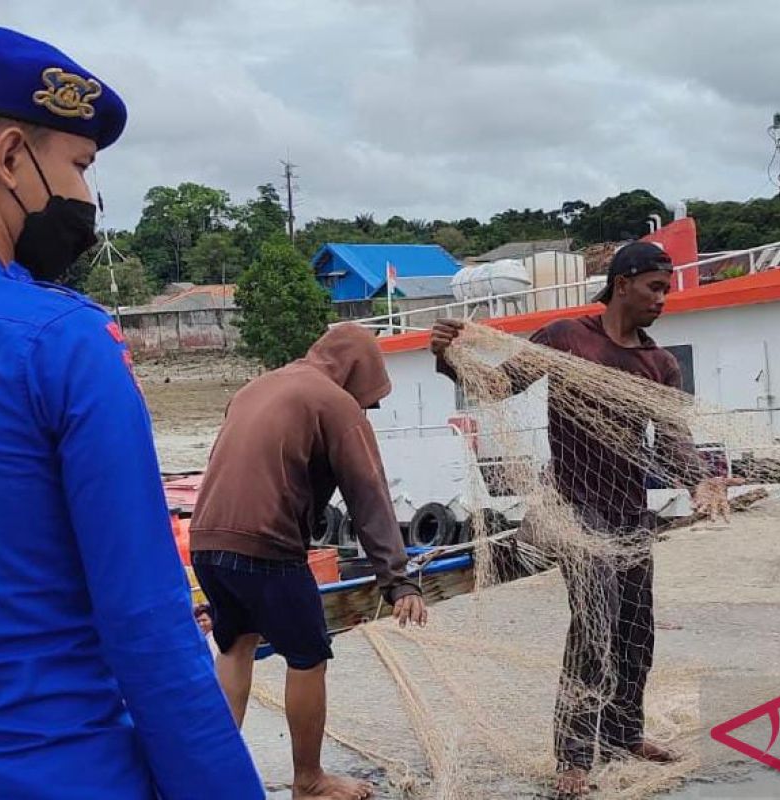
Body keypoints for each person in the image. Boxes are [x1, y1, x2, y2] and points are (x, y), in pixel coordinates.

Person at [0, 28, 263, 799]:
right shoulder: (62, 343)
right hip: (55, 769)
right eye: (81, 167)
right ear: (11, 157)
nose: (87, 199)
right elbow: (147, 626)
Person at [430, 241, 740, 796]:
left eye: (666, 289)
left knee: (635, 631)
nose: (662, 299)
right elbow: (499, 386)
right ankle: (573, 755)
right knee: (594, 627)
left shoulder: (659, 364)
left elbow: (672, 437)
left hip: (630, 512)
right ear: (622, 283)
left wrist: (701, 478)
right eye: (654, 287)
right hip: (577, 509)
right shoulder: (567, 338)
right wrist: (449, 357)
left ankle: (624, 733)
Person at [190, 323, 428, 800]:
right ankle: (309, 781)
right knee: (308, 657)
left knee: (236, 648)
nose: (366, 407)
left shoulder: (259, 386)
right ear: (357, 373)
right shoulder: (335, 403)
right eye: (368, 397)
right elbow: (369, 494)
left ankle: (206, 780)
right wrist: (397, 581)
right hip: (267, 545)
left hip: (206, 540)